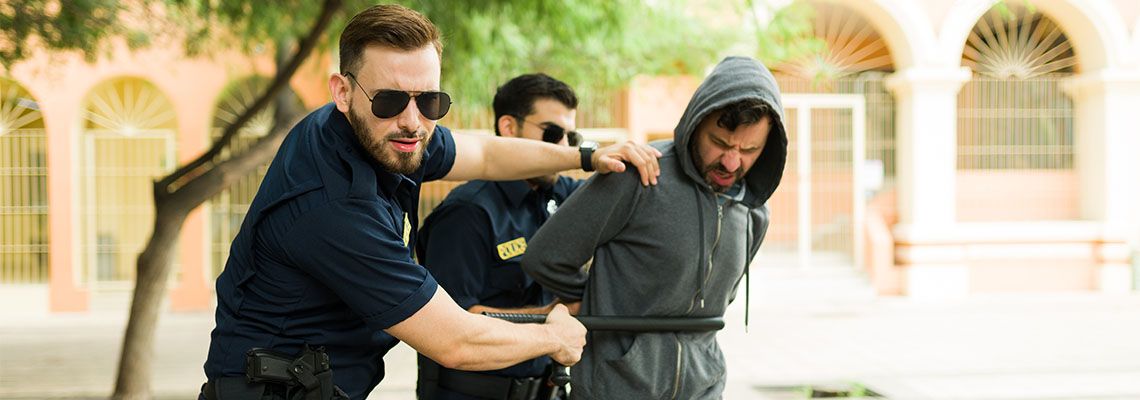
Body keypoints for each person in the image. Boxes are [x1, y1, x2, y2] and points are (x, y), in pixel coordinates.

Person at [201, 5, 662, 400]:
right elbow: (455, 341)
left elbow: (485, 153)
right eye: (389, 100)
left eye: (430, 101)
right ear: (342, 91)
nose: (412, 120)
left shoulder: (383, 132)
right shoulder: (332, 204)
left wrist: (585, 157)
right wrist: (552, 336)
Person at [521, 56, 788, 399]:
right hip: (617, 389)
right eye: (720, 143)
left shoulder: (754, 212)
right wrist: (602, 299)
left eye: (750, 149)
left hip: (705, 390)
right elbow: (545, 257)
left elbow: (722, 297)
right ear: (695, 123)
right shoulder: (639, 174)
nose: (732, 161)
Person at [415, 73, 584, 400]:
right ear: (508, 127)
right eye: (552, 133)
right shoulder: (468, 213)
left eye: (571, 137)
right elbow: (451, 323)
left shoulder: (560, 195)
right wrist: (553, 315)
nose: (564, 147)